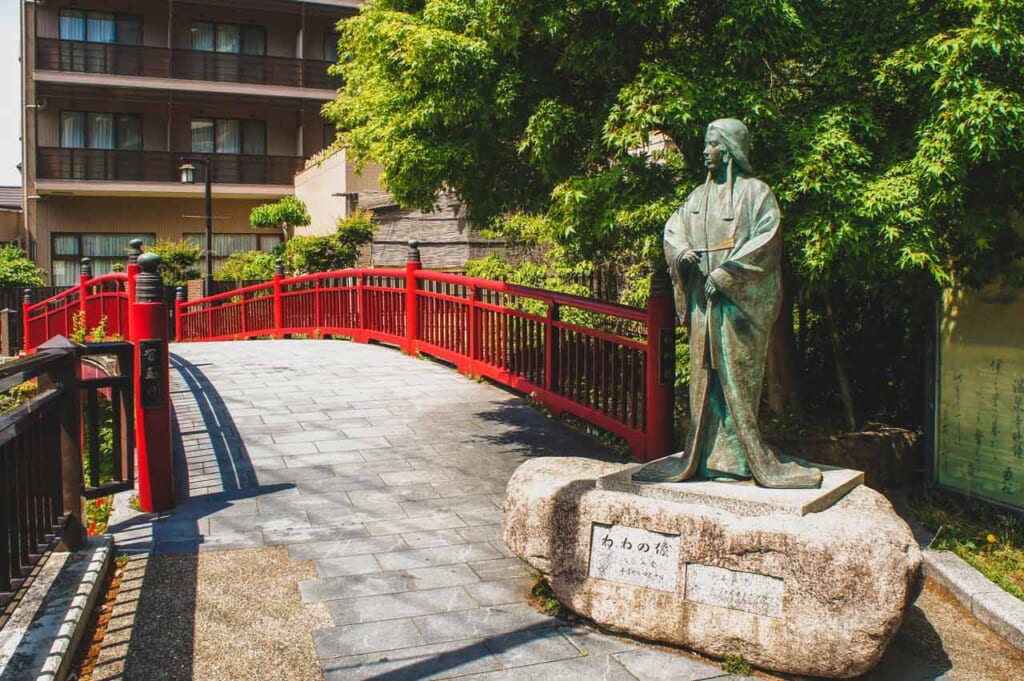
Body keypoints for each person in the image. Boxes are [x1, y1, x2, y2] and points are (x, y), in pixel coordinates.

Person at [633, 119, 821, 488]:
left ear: (731, 150)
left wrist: (728, 274)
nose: (706, 151)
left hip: (737, 309)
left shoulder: (756, 194)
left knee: (737, 378)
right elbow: (673, 228)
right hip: (704, 301)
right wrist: (683, 252)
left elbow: (766, 240)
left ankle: (738, 459)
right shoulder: (696, 198)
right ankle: (702, 455)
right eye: (706, 144)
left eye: (712, 144)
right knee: (703, 380)